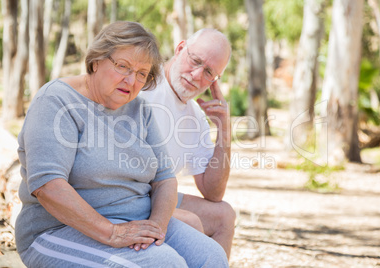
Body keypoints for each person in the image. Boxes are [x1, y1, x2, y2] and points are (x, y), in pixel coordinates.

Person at [15, 21, 229, 268]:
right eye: (123, 66)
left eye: (141, 74)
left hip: (137, 219)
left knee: (212, 257)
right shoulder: (56, 100)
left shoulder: (140, 109)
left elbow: (165, 178)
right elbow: (48, 186)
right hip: (56, 230)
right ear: (96, 60)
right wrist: (112, 232)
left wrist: (158, 227)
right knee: (164, 264)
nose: (131, 80)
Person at [139, 28, 236, 258]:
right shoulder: (142, 83)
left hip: (160, 197)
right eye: (195, 61)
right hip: (128, 197)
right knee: (191, 222)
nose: (196, 76)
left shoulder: (196, 117)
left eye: (209, 72)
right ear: (180, 48)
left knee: (224, 215)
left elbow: (213, 192)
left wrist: (224, 130)